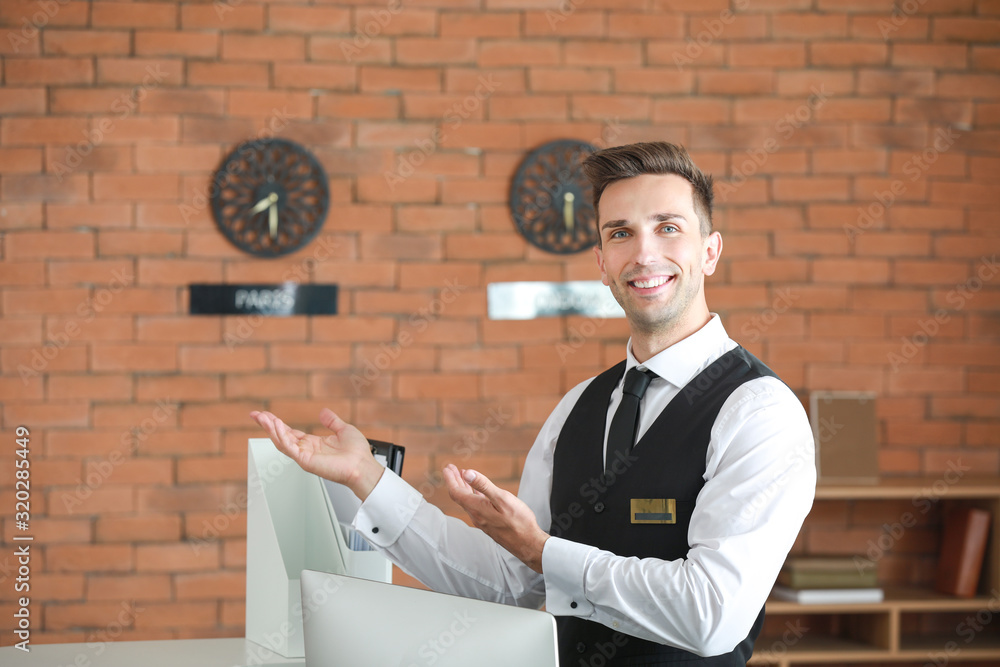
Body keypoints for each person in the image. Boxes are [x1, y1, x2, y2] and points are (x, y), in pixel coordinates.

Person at [251, 141, 816, 666]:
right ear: (601, 262)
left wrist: (544, 551)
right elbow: (513, 583)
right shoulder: (579, 407)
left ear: (710, 251)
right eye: (620, 234)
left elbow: (711, 615)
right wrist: (367, 480)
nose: (644, 254)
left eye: (668, 228)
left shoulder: (760, 412)